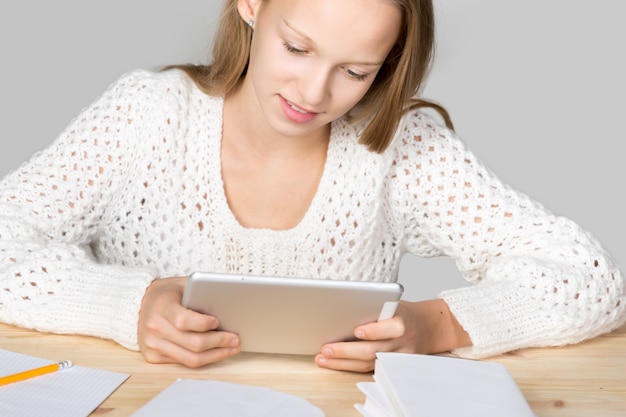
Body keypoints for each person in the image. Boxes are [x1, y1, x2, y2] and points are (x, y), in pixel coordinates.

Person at [0, 0, 624, 373]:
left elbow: (589, 279)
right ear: (251, 4)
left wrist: (436, 326)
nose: (314, 94)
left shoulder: (401, 149)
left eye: (355, 71)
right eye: (297, 48)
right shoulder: (147, 114)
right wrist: (124, 306)